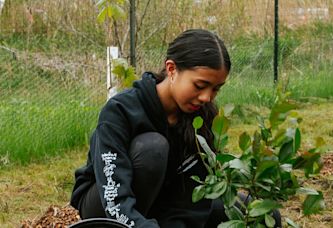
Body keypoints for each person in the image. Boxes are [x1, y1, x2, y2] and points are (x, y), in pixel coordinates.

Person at [70, 29, 281, 228]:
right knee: (153, 148)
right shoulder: (120, 110)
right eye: (199, 86)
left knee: (262, 214)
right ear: (172, 69)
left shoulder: (203, 116)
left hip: (163, 205)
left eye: (215, 89)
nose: (207, 97)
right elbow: (114, 196)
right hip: (108, 209)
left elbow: (193, 200)